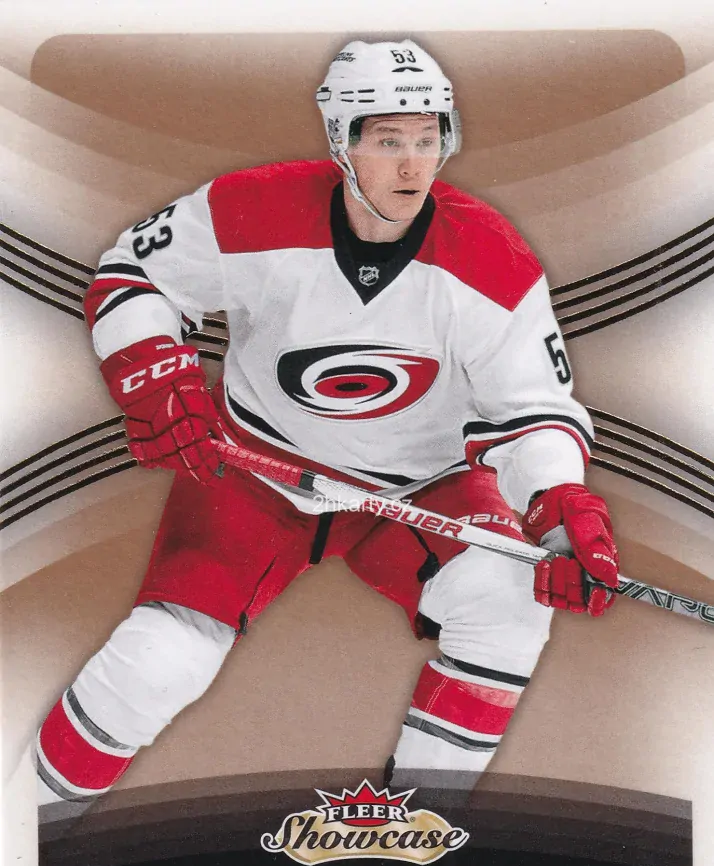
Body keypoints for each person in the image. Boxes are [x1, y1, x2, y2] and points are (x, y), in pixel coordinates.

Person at [36, 40, 618, 814]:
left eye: (428, 140)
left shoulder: (492, 257)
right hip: (254, 469)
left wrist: (557, 509)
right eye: (389, 141)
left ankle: (416, 830)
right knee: (157, 664)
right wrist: (152, 373)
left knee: (510, 607)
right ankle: (20, 830)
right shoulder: (251, 206)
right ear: (342, 141)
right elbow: (133, 273)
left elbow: (532, 407)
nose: (412, 166)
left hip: (418, 487)